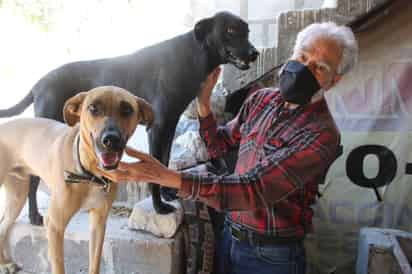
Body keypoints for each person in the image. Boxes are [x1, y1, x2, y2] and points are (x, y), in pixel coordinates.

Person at [105, 22, 358, 274]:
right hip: (230, 236)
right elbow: (220, 147)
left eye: (319, 67)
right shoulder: (262, 100)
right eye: (302, 56)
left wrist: (165, 177)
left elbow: (253, 189)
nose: (304, 68)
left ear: (334, 80)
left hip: (272, 256)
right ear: (292, 52)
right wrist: (204, 105)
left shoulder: (321, 134)